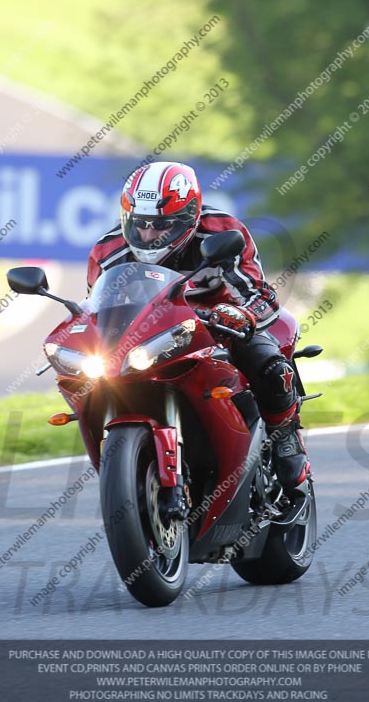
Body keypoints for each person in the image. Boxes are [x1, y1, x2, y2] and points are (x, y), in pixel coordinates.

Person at [87, 161, 309, 496]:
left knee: (271, 367)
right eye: (140, 224)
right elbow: (96, 313)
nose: (148, 235)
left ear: (190, 215)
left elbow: (260, 294)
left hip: (221, 324)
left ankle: (287, 443)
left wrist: (243, 317)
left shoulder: (223, 233)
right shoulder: (107, 252)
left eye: (162, 225)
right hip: (152, 334)